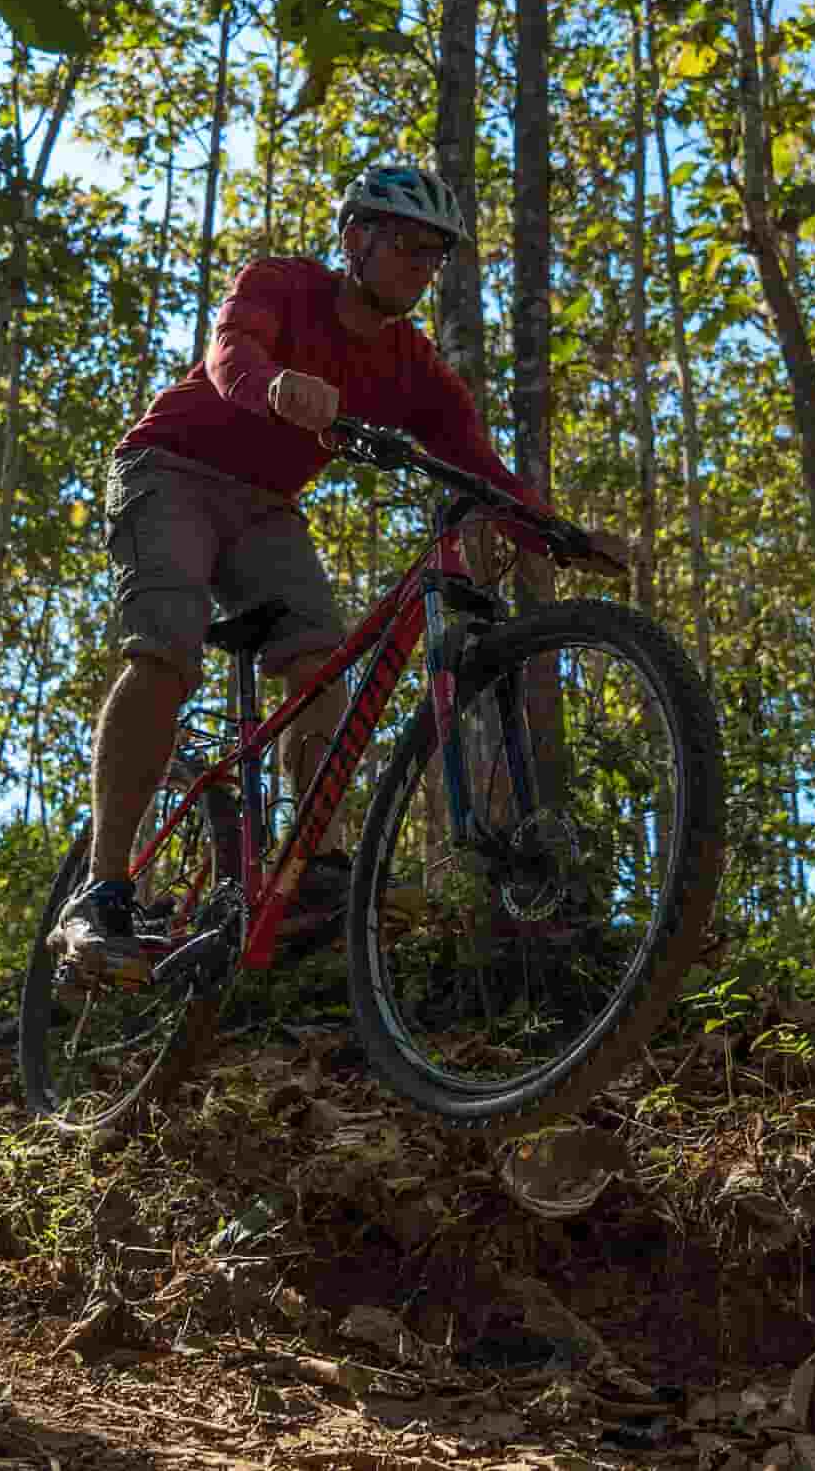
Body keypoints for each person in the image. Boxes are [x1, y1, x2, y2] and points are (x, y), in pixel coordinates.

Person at [50, 164, 628, 995]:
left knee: (321, 660)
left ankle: (313, 864)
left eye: (437, 257)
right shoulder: (282, 283)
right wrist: (274, 384)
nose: (422, 268)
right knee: (166, 654)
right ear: (355, 238)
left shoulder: (410, 363)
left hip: (265, 507)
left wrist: (560, 534)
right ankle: (102, 889)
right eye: (407, 246)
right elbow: (230, 353)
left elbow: (475, 461)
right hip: (167, 470)